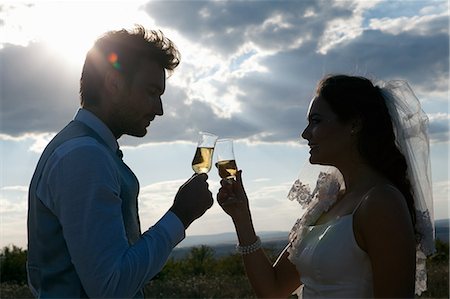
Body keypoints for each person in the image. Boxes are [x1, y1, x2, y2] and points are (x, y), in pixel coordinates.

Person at [27, 25, 214, 298]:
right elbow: (111, 287)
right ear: (113, 83)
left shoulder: (76, 147)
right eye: (152, 92)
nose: (159, 109)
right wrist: (181, 215)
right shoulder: (85, 156)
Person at [217, 74, 435, 298]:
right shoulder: (328, 201)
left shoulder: (381, 203)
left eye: (317, 121)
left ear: (354, 124)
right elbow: (272, 289)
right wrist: (241, 217)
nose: (305, 133)